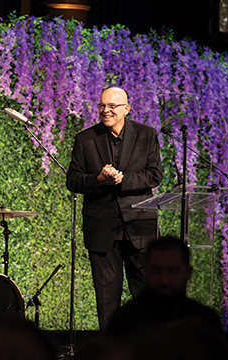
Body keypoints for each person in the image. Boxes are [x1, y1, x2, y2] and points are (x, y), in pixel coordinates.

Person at [66, 86, 163, 332]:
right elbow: (73, 180)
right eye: (101, 106)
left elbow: (154, 175)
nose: (105, 110)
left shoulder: (146, 134)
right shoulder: (85, 139)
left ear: (126, 109)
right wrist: (98, 179)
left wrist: (123, 179)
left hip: (140, 228)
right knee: (107, 301)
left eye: (111, 106)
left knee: (146, 299)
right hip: (102, 230)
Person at [106, 235, 223, 337]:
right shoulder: (124, 321)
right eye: (156, 271)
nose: (164, 280)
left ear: (188, 272)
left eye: (172, 271)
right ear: (146, 271)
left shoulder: (205, 321)